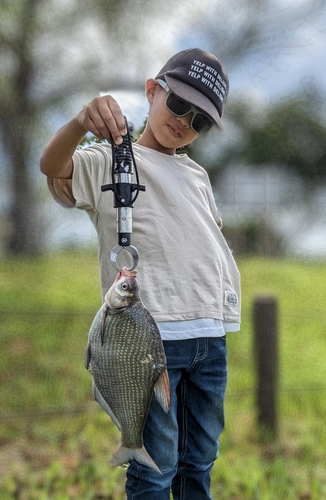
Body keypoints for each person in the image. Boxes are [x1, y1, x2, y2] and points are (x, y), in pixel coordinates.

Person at [40, 47, 241, 500]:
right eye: (178, 105)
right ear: (153, 91)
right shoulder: (111, 160)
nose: (184, 121)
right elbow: (52, 167)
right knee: (156, 466)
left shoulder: (197, 175)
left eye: (200, 120)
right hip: (150, 340)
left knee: (199, 461)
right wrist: (79, 123)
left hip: (210, 339)